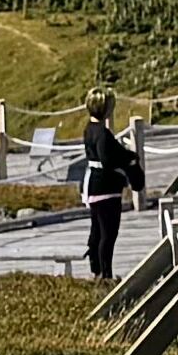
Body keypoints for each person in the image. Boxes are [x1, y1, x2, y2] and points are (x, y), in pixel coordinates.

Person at [76, 97, 144, 284]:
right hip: (106, 188)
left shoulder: (89, 128)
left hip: (93, 185)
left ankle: (96, 270)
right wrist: (128, 158)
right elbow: (107, 159)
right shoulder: (102, 133)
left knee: (97, 232)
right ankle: (105, 275)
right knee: (108, 234)